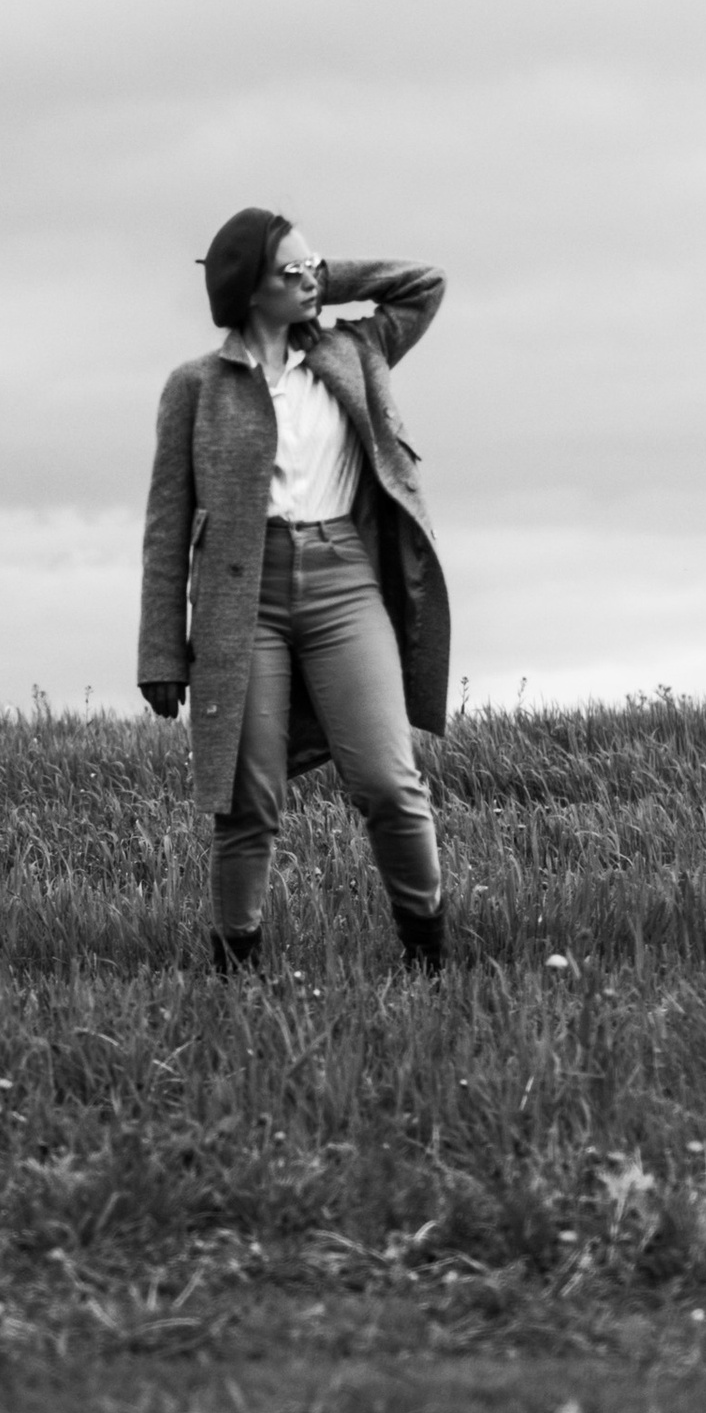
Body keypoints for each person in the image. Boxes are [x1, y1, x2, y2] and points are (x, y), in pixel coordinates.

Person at [139, 207, 452, 972]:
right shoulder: (196, 387)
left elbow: (424, 285)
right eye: (290, 272)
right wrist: (160, 653)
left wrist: (318, 272)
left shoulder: (356, 349)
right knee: (247, 803)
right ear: (249, 289)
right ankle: (235, 966)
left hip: (346, 582)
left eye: (314, 268)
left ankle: (427, 955)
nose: (310, 280)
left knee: (388, 780)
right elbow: (166, 523)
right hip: (241, 601)